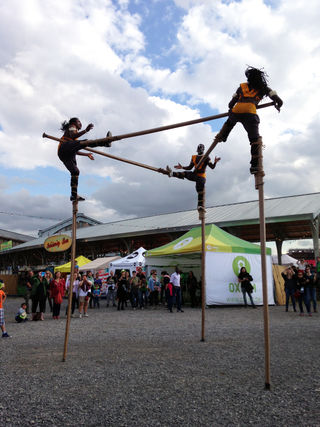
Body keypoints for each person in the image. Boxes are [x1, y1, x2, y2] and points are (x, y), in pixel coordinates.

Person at [213, 66, 283, 174]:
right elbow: (279, 101)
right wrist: (277, 105)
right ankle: (254, 166)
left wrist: (231, 111)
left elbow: (231, 104)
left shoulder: (241, 87)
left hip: (237, 110)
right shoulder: (264, 88)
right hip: (250, 112)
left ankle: (222, 136)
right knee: (254, 140)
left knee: (229, 122)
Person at [58, 117, 112, 201]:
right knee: (85, 142)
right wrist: (86, 130)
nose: (80, 124)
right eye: (78, 122)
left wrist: (86, 154)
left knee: (75, 171)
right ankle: (105, 143)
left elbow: (75, 151)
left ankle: (74, 195)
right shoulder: (72, 126)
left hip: (65, 154)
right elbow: (73, 135)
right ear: (74, 123)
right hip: (64, 148)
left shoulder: (73, 139)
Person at [168, 145, 220, 211]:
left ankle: (200, 206)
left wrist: (215, 162)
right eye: (198, 148)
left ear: (203, 149)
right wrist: (182, 167)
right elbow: (190, 167)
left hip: (201, 177)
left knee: (200, 190)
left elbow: (212, 167)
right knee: (185, 173)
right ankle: (172, 174)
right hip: (194, 175)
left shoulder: (206, 157)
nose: (199, 150)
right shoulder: (194, 157)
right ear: (197, 150)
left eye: (200, 148)